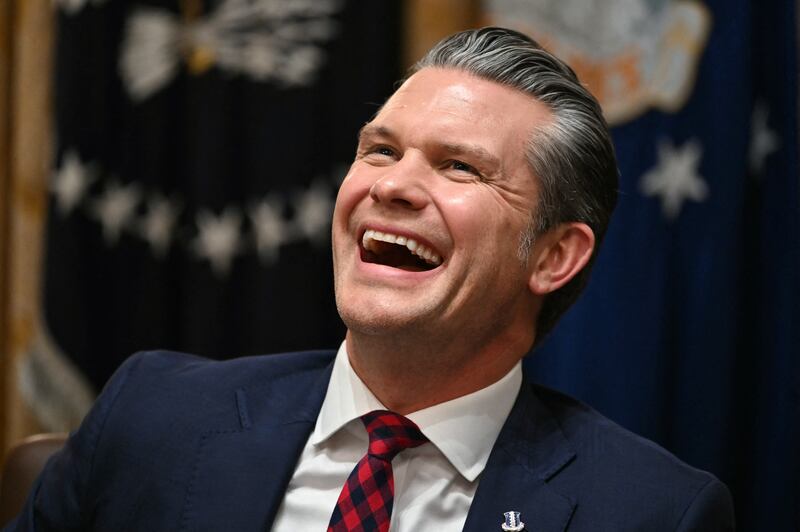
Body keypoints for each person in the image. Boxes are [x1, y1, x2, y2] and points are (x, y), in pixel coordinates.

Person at [7, 27, 734, 531]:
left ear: (553, 257)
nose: (393, 187)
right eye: (380, 151)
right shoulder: (151, 419)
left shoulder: (651, 512)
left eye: (459, 167)